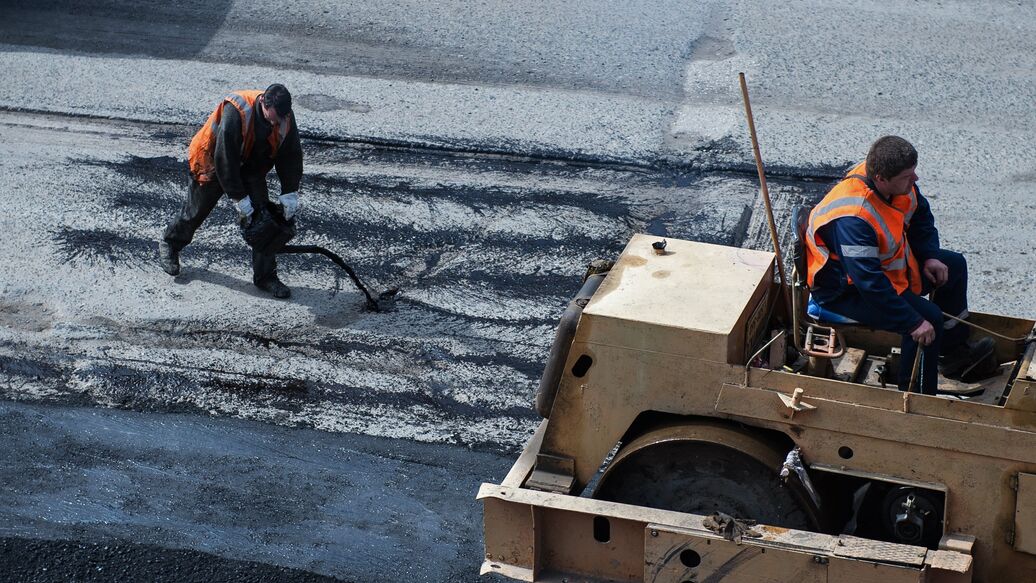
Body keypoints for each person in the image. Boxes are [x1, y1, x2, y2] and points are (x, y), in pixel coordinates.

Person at [804, 135, 995, 395]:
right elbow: (870, 284)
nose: (915, 180)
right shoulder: (854, 218)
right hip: (844, 291)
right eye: (908, 176)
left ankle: (954, 355)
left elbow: (921, 216)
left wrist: (930, 256)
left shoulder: (895, 181)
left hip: (887, 272)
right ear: (881, 178)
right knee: (927, 319)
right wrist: (913, 322)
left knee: (954, 266)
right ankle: (916, 394)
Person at [158, 84, 303, 299]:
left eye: (278, 120)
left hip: (251, 164)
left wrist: (290, 193)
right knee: (196, 209)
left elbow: (290, 156)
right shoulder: (236, 112)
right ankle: (170, 243)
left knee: (263, 221)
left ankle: (265, 277)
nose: (275, 124)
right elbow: (225, 160)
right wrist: (240, 200)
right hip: (214, 159)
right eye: (271, 119)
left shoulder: (284, 116)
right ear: (263, 102)